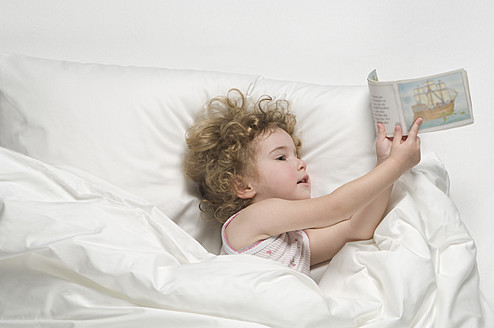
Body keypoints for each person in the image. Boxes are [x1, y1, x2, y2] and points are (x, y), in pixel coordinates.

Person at [184, 89, 422, 275]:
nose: (301, 163)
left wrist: (385, 161)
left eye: (296, 155)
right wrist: (397, 165)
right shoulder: (253, 218)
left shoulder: (292, 242)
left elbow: (356, 229)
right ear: (244, 186)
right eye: (281, 157)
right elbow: (337, 208)